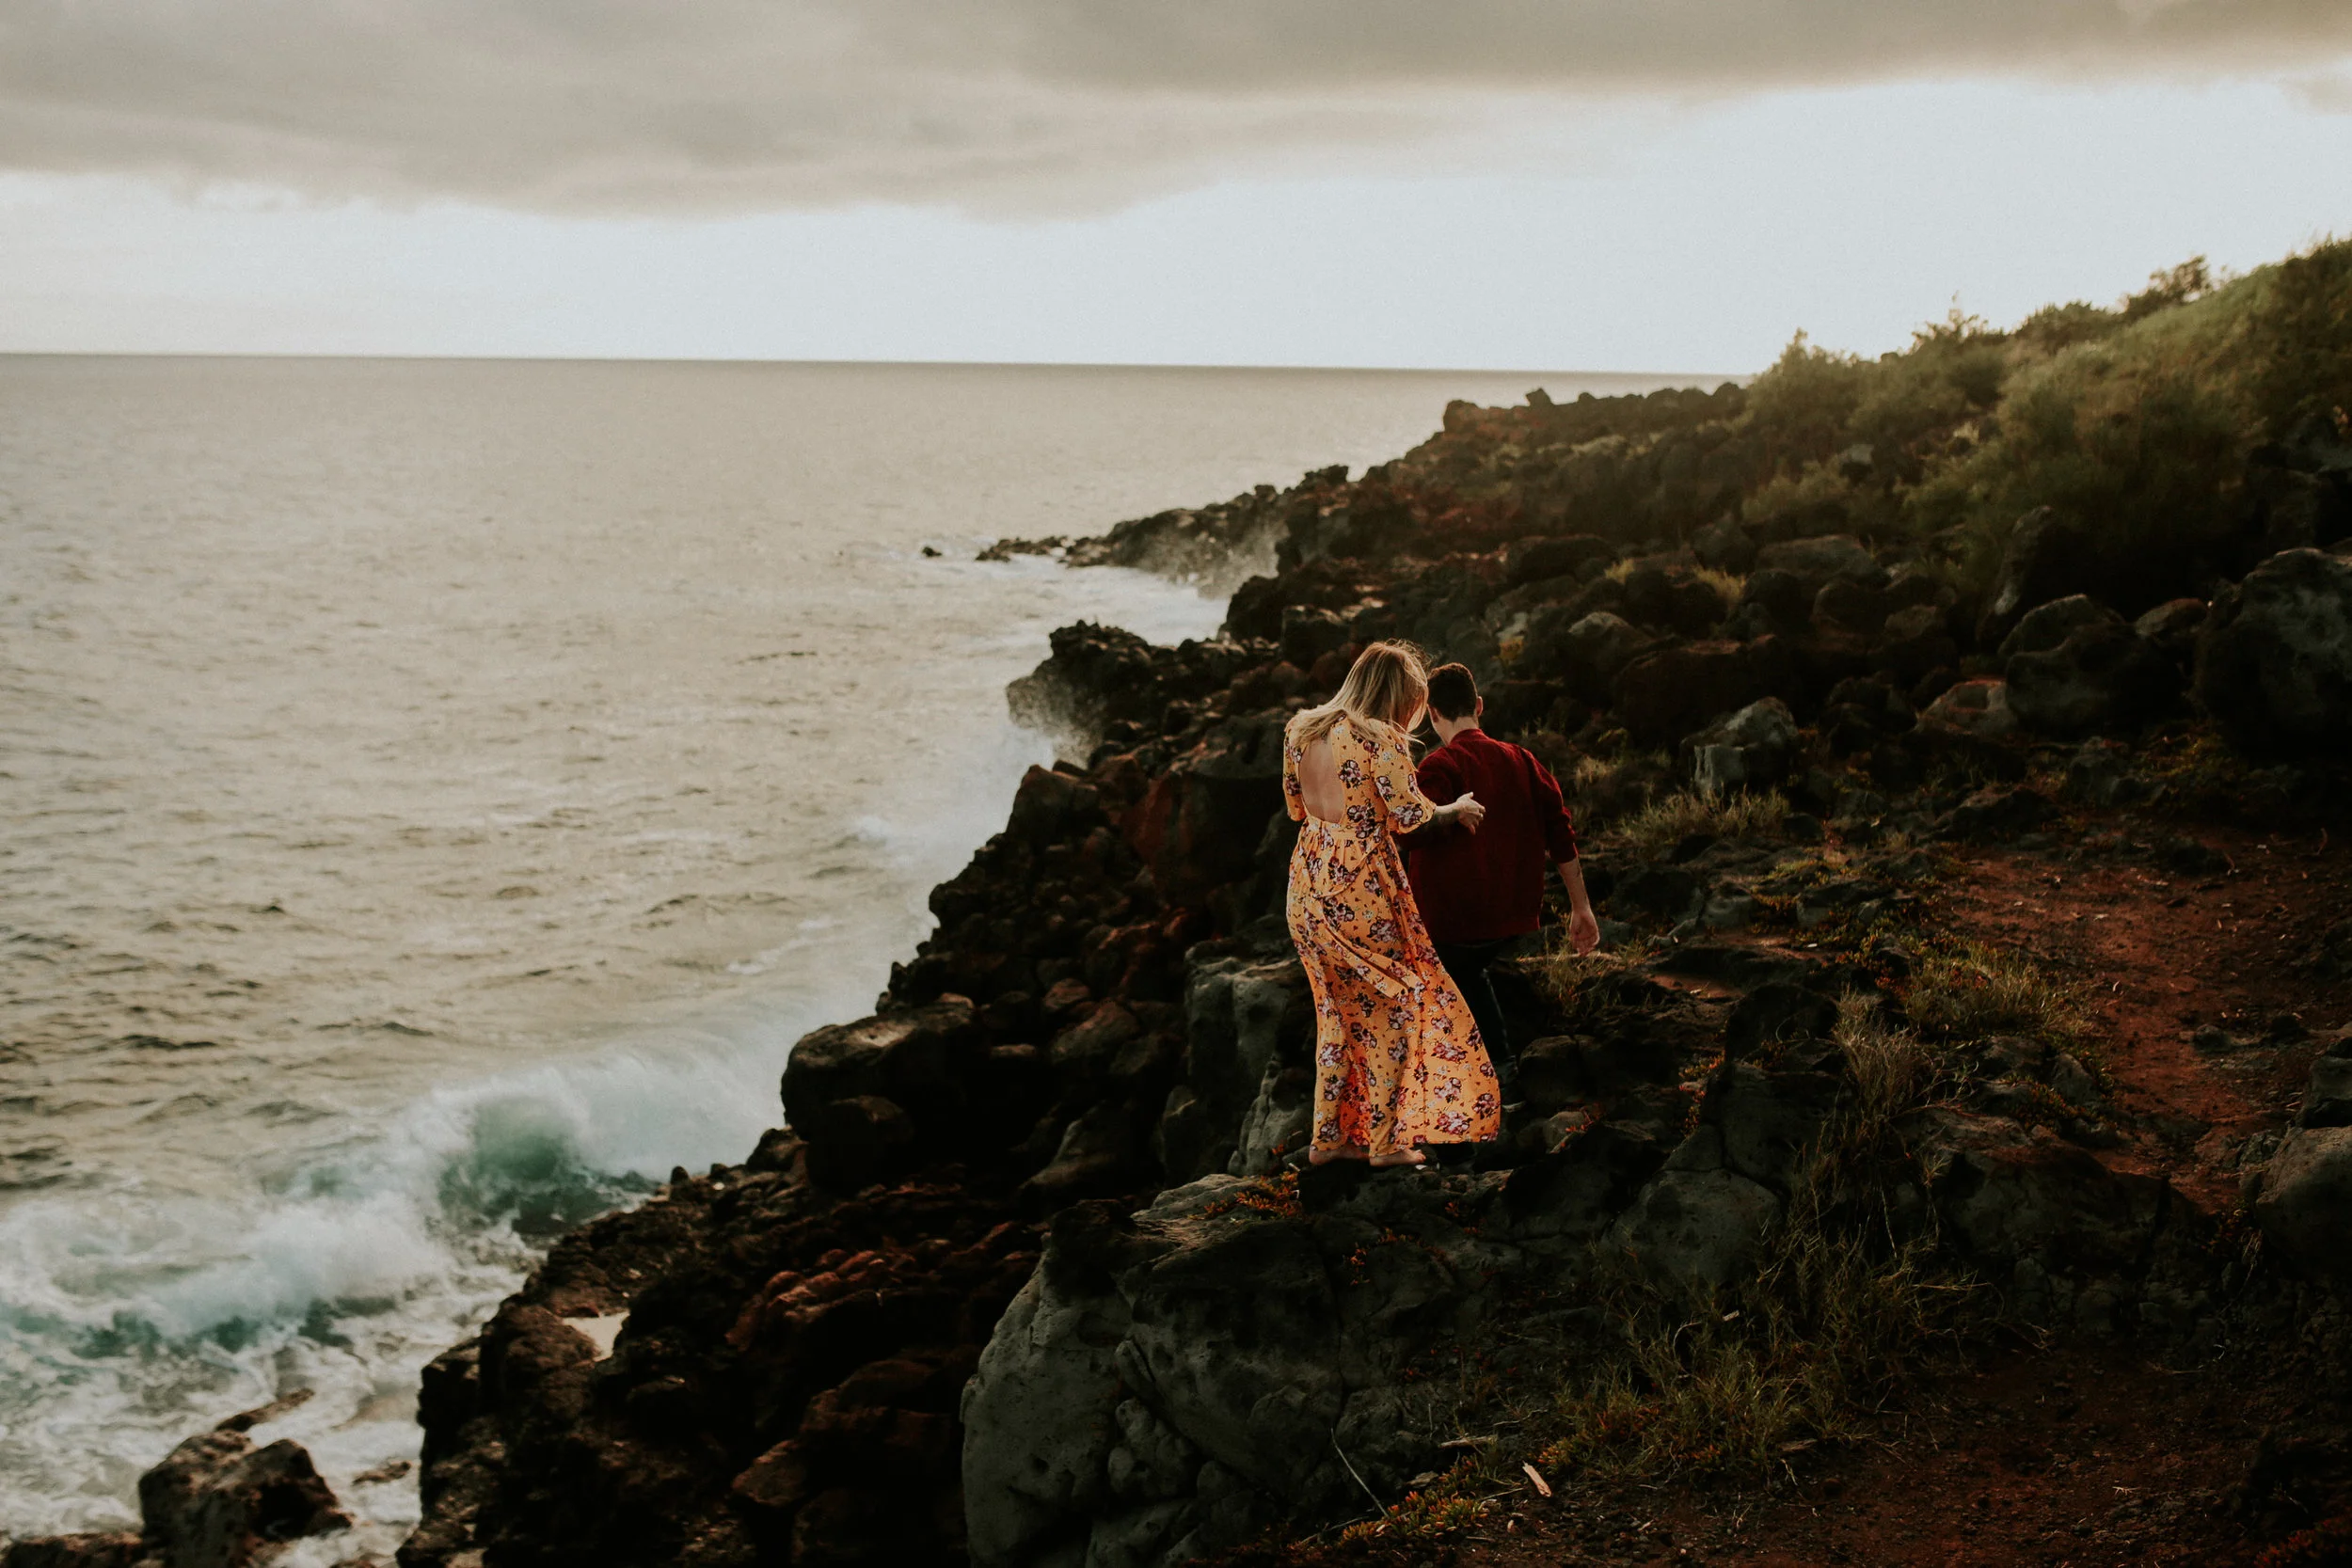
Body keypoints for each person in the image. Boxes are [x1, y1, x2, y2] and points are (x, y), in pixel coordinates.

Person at [1282, 642, 1502, 1167]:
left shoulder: (1301, 730)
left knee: (1336, 1013)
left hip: (1307, 881)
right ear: (1399, 696)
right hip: (1359, 888)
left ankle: (1329, 1142)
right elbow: (1410, 818)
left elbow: (1296, 806)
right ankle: (1385, 1144)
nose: (1412, 716)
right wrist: (1455, 809)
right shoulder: (1378, 739)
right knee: (1398, 1009)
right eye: (1412, 701)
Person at [1405, 662, 1599, 1100]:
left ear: (1432, 715)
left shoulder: (1438, 766)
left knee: (1441, 980)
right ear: (1478, 705)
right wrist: (1581, 908)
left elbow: (1410, 829)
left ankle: (1478, 1081)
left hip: (1451, 923)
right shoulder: (1523, 760)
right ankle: (1500, 1068)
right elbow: (1560, 831)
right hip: (1511, 918)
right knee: (1470, 974)